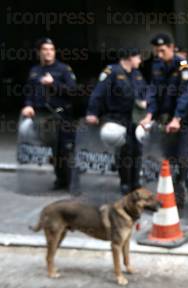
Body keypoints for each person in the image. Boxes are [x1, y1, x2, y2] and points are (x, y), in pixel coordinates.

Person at [139, 33, 188, 208]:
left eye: (162, 50)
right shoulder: (156, 65)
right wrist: (149, 114)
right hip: (165, 122)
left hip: (183, 122)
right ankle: (172, 197)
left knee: (184, 160)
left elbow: (186, 95)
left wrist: (177, 118)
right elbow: (153, 91)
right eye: (156, 50)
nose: (159, 54)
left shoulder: (183, 67)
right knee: (168, 159)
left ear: (171, 48)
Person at [86, 48, 147, 194]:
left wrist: (146, 104)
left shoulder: (137, 74)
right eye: (138, 57)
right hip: (117, 117)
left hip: (134, 118)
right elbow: (98, 93)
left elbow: (145, 92)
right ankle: (125, 183)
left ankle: (135, 182)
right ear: (129, 57)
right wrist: (92, 112)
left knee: (137, 150)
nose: (140, 61)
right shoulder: (112, 72)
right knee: (124, 151)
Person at [21, 37, 77, 190]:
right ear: (39, 52)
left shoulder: (63, 69)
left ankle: (69, 181)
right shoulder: (34, 71)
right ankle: (60, 179)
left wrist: (53, 84)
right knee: (53, 150)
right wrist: (28, 105)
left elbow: (73, 90)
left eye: (51, 49)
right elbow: (29, 92)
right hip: (42, 116)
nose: (48, 53)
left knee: (65, 150)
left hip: (61, 114)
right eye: (45, 49)